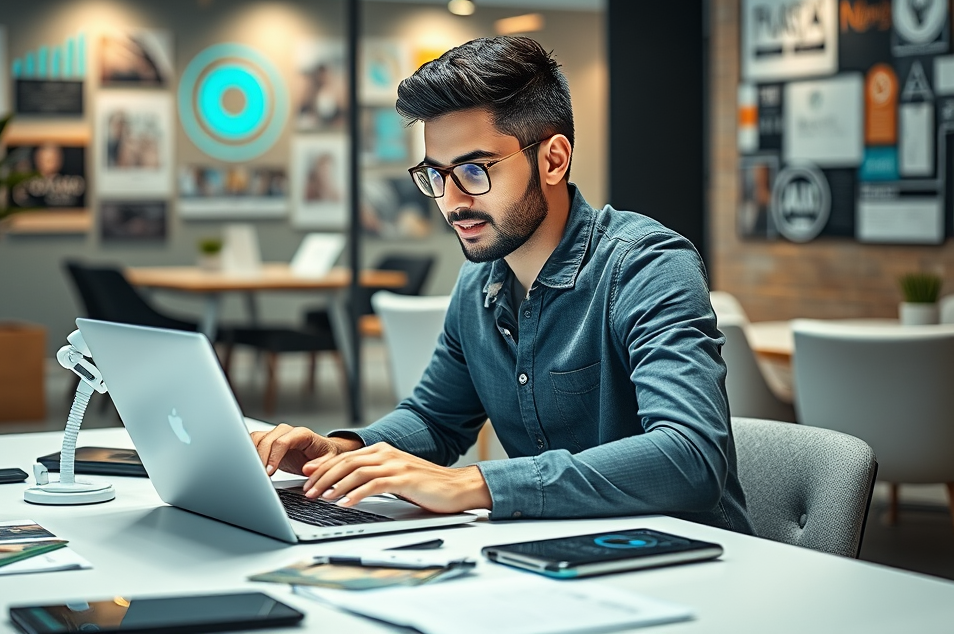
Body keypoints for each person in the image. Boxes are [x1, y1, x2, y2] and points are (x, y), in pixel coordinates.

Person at [252, 36, 754, 534]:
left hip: (691, 560)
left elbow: (690, 456)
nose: (451, 202)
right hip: (558, 551)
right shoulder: (480, 281)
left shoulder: (646, 266)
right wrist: (341, 451)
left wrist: (476, 485)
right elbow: (435, 420)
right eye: (435, 175)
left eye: (474, 170)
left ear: (554, 160)